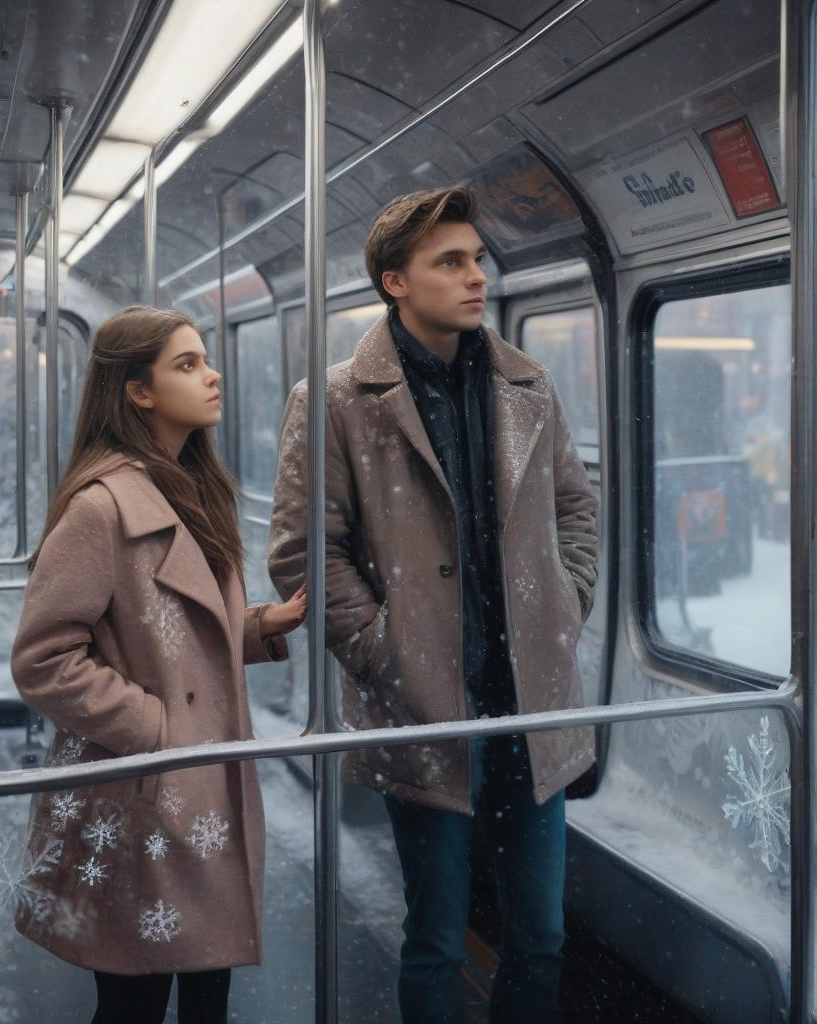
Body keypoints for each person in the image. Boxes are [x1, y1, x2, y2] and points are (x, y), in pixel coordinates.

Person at [268, 186, 599, 1023]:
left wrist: (564, 602)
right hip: (421, 705)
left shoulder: (528, 385)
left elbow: (575, 508)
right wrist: (384, 648)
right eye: (449, 262)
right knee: (437, 938)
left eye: (478, 258)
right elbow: (306, 550)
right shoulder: (337, 402)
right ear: (395, 283)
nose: (476, 277)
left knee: (542, 935)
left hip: (531, 704)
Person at [11, 305, 306, 1024]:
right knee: (136, 999)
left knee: (208, 992)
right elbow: (45, 659)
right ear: (137, 390)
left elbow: (174, 635)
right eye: (187, 365)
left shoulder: (194, 490)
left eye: (206, 359)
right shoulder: (101, 509)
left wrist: (262, 626)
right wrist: (159, 726)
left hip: (202, 791)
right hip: (147, 792)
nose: (211, 376)